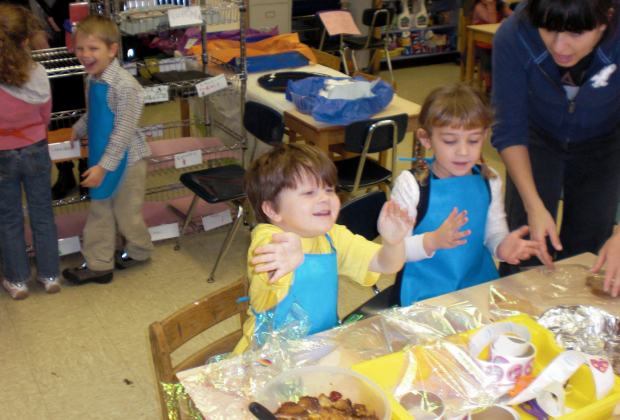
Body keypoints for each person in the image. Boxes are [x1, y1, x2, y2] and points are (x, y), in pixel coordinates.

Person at [491, 0, 620, 295]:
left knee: (589, 249)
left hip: (604, 138)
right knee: (526, 246)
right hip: (536, 137)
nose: (560, 47)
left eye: (576, 33)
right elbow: (509, 129)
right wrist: (533, 206)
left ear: (605, 19)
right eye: (549, 29)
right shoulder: (514, 35)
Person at [233, 143, 413, 353]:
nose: (324, 198)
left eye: (329, 190)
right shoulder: (267, 237)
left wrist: (392, 242)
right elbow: (269, 253)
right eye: (309, 192)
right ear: (273, 210)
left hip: (321, 345)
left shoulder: (332, 236)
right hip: (267, 356)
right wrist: (283, 253)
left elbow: (386, 264)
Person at [391, 84, 542, 306]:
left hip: (477, 287)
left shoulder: (489, 180)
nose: (463, 151)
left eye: (473, 140)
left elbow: (493, 234)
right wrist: (432, 241)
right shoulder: (411, 185)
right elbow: (394, 251)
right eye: (450, 141)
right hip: (424, 294)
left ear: (484, 136)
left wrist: (501, 247)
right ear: (426, 139)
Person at [62, 14, 154, 285]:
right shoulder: (92, 78)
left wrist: (103, 167)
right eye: (80, 48)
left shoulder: (126, 87)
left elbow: (123, 132)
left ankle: (139, 250)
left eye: (93, 48)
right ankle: (99, 264)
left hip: (128, 162)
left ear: (112, 50)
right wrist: (79, 128)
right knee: (100, 210)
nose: (85, 55)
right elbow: (96, 113)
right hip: (102, 156)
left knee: (127, 215)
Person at [0, 4, 61, 299]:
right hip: (35, 147)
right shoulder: (37, 72)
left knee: (8, 217)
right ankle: (50, 275)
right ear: (25, 40)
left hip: (2, 153)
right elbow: (45, 115)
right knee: (42, 212)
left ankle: (17, 281)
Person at [471, 0, 513, 94]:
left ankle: (501, 84)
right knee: (487, 59)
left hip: (496, 42)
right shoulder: (479, 6)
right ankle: (489, 87)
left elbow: (514, 16)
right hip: (480, 43)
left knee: (507, 57)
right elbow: (492, 21)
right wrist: (491, 5)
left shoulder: (500, 5)